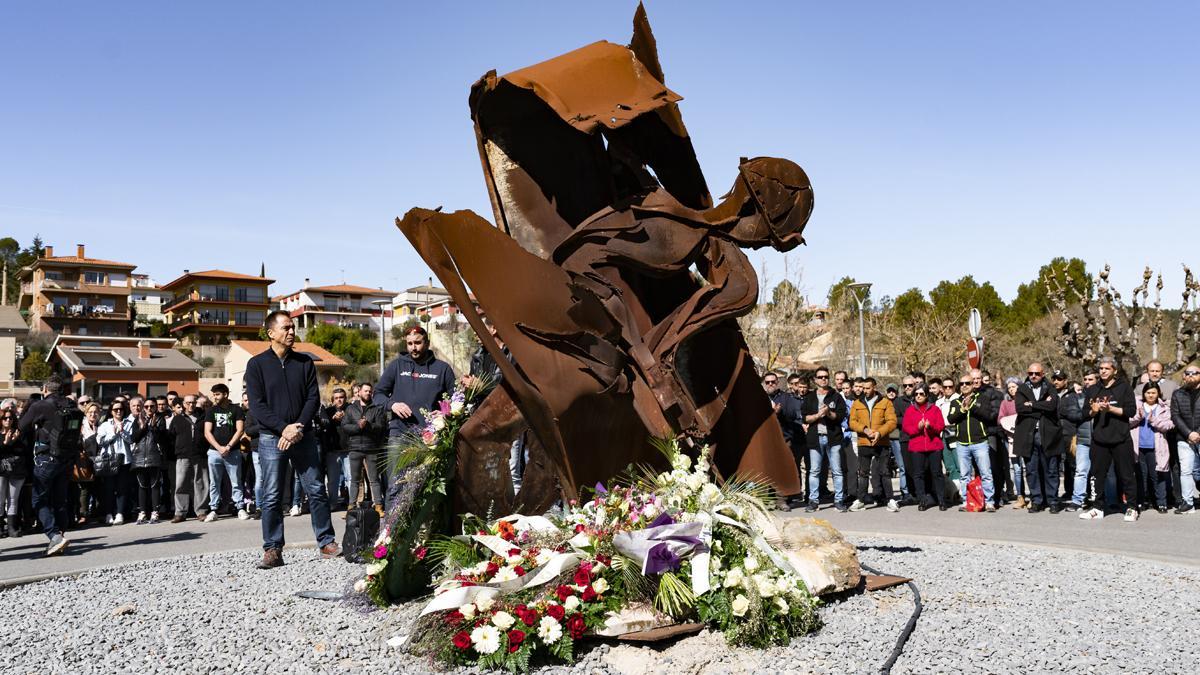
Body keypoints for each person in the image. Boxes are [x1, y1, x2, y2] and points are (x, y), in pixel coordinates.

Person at [245, 311, 339, 569]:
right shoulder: (256, 365)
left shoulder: (305, 362)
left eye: (293, 327)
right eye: (285, 327)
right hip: (271, 439)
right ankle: (273, 549)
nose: (291, 331)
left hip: (303, 436)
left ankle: (327, 542)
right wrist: (282, 429)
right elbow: (257, 405)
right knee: (272, 494)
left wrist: (296, 428)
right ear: (270, 333)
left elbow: (313, 400)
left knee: (317, 489)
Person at [374, 325, 456, 505]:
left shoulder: (442, 369)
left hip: (430, 439)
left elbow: (457, 400)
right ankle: (390, 532)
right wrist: (392, 404)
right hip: (400, 435)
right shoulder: (396, 366)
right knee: (396, 486)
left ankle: (423, 532)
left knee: (425, 489)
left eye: (418, 343)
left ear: (427, 343)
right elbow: (378, 395)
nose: (414, 347)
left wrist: (444, 412)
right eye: (410, 343)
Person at [17, 375, 82, 555]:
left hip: (47, 458)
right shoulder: (70, 404)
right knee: (60, 500)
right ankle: (59, 536)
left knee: (38, 499)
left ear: (45, 389)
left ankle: (55, 536)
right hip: (67, 458)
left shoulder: (41, 405)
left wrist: (29, 407)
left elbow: (22, 426)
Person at [1079, 357, 1139, 522]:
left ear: (1114, 371)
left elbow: (1131, 411)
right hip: (1100, 439)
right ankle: (1097, 508)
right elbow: (1085, 414)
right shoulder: (1093, 389)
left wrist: (1111, 408)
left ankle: (1132, 507)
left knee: (1126, 474)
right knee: (1097, 475)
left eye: (1107, 368)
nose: (1103, 371)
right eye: (1101, 368)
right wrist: (1094, 411)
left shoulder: (1124, 387)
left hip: (1121, 438)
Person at [1013, 363, 1063, 513]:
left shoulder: (1050, 387)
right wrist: (1041, 405)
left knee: (1051, 469)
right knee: (1031, 470)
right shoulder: (1022, 389)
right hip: (1028, 435)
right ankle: (1037, 500)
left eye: (1036, 373)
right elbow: (1020, 408)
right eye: (1030, 373)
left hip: (1048, 434)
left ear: (1043, 374)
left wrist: (1032, 404)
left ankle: (1053, 501)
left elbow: (1052, 406)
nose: (1033, 376)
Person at [848, 378, 900, 512]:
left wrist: (879, 433)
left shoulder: (885, 402)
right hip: (864, 442)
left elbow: (892, 422)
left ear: (874, 387)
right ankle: (860, 500)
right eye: (863, 388)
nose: (864, 391)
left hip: (881, 442)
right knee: (863, 473)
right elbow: (852, 422)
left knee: (885, 472)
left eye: (867, 388)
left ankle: (890, 500)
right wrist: (864, 429)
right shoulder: (857, 403)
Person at [947, 375, 996, 512]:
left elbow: (988, 416)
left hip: (980, 442)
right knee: (964, 475)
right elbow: (951, 418)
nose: (964, 385)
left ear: (973, 384)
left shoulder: (982, 398)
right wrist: (963, 409)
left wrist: (972, 407)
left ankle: (989, 501)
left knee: (986, 473)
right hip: (962, 443)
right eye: (961, 383)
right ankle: (965, 500)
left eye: (967, 383)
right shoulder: (955, 402)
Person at [801, 367, 846, 512]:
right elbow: (805, 417)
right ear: (815, 380)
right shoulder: (809, 397)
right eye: (820, 377)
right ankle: (813, 501)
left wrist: (828, 413)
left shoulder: (836, 396)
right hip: (815, 438)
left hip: (833, 438)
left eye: (826, 376)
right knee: (814, 471)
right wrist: (818, 415)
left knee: (837, 471)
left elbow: (840, 416)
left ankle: (839, 500)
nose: (823, 379)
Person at [342, 381, 388, 515]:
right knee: (355, 480)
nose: (368, 393)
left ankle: (378, 505)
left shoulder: (376, 408)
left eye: (370, 391)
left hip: (371, 448)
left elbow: (381, 427)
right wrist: (358, 426)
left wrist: (367, 425)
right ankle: (351, 507)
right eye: (365, 391)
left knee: (374, 479)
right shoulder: (350, 409)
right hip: (355, 448)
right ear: (359, 392)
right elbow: (345, 426)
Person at [203, 384, 247, 522]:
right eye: (214, 394)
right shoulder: (211, 411)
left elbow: (239, 430)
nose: (215, 397)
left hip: (232, 452)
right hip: (214, 452)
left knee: (236, 481)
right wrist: (218, 447)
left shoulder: (236, 409)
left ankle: (240, 507)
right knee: (214, 483)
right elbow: (207, 432)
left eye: (217, 394)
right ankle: (214, 509)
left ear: (225, 394)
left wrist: (228, 446)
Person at [901, 384, 948, 510]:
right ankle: (922, 500)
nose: (918, 396)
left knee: (937, 473)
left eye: (921, 394)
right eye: (916, 394)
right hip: (917, 447)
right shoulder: (910, 410)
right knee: (918, 474)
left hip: (934, 446)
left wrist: (930, 427)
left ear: (926, 395)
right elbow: (906, 427)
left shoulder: (935, 409)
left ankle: (941, 500)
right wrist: (918, 428)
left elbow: (941, 426)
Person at [1131, 384, 1173, 513]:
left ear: (1158, 393)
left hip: (1156, 447)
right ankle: (1141, 501)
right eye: (1148, 392)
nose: (1150, 395)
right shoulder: (1137, 405)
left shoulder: (1164, 407)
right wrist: (1138, 417)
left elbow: (1168, 425)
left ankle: (1161, 502)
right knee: (1140, 476)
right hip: (1138, 446)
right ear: (1143, 393)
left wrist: (1153, 420)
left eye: (1153, 393)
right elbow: (1127, 422)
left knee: (1157, 475)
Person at [1060, 371, 1097, 511]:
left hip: (1100, 439)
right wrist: (1090, 412)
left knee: (1099, 472)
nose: (1087, 381)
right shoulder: (1076, 397)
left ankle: (1098, 499)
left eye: (1091, 379)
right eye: (1085, 379)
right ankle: (1077, 500)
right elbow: (1072, 414)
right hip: (1083, 439)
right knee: (1081, 470)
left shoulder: (1103, 396)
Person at [169, 396, 206, 523]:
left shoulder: (202, 417)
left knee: (200, 483)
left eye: (193, 402)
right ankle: (180, 512)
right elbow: (171, 437)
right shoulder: (177, 419)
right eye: (188, 403)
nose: (191, 405)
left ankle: (201, 511)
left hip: (199, 455)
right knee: (181, 484)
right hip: (182, 455)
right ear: (183, 404)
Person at [96, 398, 133, 525]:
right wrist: (113, 433)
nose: (118, 411)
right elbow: (100, 441)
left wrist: (122, 431)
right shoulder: (105, 425)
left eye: (121, 409)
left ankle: (120, 513)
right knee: (109, 488)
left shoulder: (129, 423)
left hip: (124, 460)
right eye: (116, 409)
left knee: (122, 488)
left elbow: (131, 440)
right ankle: (108, 513)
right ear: (111, 411)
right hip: (109, 460)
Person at [128, 396, 164, 524]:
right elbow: (133, 438)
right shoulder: (138, 419)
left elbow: (161, 438)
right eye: (147, 406)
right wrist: (143, 427)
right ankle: (142, 512)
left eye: (152, 406)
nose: (149, 409)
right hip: (139, 456)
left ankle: (155, 512)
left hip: (154, 456)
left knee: (155, 485)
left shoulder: (160, 419)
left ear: (155, 407)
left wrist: (153, 427)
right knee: (142, 486)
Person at [1171, 365, 1200, 514]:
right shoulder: (1177, 394)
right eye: (1187, 373)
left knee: (1197, 472)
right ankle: (1188, 502)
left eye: (1194, 373)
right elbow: (1175, 416)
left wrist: (1197, 433)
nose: (1190, 376)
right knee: (1186, 471)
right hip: (1184, 438)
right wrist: (1189, 433)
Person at [318, 388, 349, 512]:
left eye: (341, 397)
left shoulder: (351, 409)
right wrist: (332, 420)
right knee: (333, 480)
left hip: (348, 448)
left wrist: (345, 418)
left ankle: (352, 503)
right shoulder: (328, 411)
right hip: (332, 450)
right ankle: (333, 503)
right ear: (332, 400)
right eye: (336, 398)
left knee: (351, 478)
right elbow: (324, 426)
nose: (339, 400)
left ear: (345, 398)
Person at [0, 404, 27, 537]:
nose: (8, 420)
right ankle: (0, 527)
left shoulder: (18, 433)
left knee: (13, 499)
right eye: (5, 418)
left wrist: (14, 440)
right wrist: (6, 443)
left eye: (10, 418)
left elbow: (23, 451)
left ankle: (11, 527)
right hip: (1, 471)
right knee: (0, 499)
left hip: (16, 471)